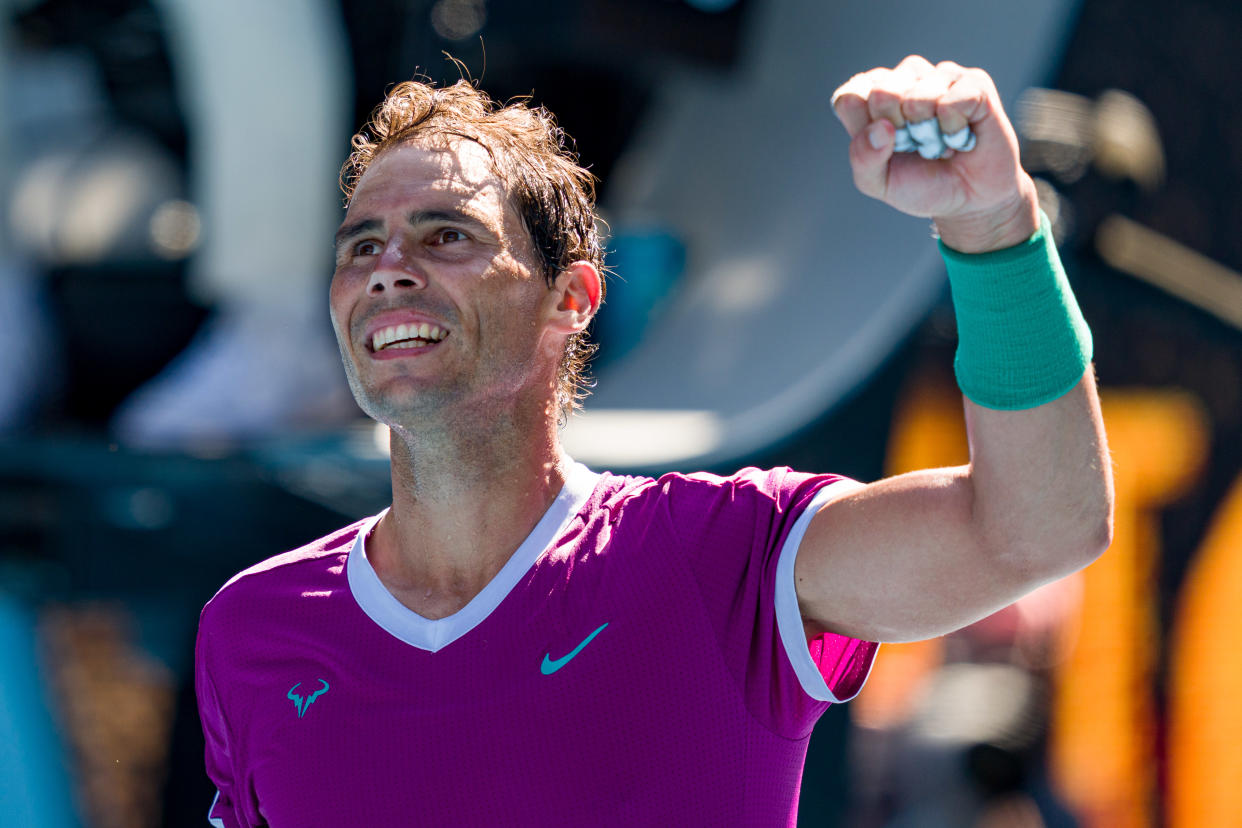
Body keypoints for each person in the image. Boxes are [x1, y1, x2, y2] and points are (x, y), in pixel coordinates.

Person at [194, 56, 1112, 826]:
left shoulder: (725, 553)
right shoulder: (250, 632)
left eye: (446, 235)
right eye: (362, 246)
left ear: (572, 301)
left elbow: (1040, 529)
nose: (389, 271)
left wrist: (994, 227)